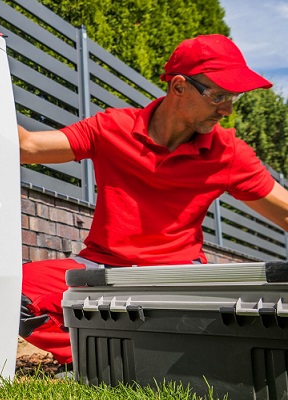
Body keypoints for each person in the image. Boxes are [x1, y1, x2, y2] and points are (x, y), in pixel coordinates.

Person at [18, 33, 288, 366]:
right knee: (13, 294)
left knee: (229, 318)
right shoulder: (110, 128)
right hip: (101, 270)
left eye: (233, 98)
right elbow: (27, 147)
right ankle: (123, 354)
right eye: (219, 96)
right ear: (178, 87)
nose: (228, 110)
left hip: (178, 277)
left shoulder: (228, 153)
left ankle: (108, 353)